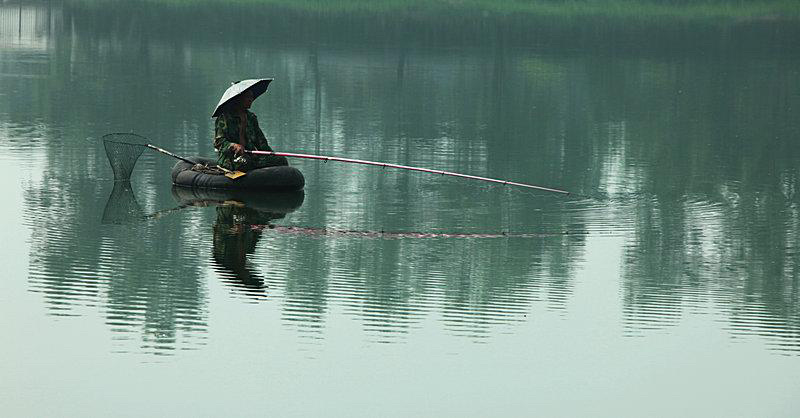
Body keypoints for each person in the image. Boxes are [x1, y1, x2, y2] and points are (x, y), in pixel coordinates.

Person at [212, 79, 288, 171]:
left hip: (251, 155)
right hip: (231, 158)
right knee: (245, 163)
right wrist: (234, 146)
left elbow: (261, 142)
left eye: (251, 97)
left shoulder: (251, 118)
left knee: (281, 160)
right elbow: (219, 142)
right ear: (238, 99)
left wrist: (271, 154)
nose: (251, 99)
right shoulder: (224, 118)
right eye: (247, 97)